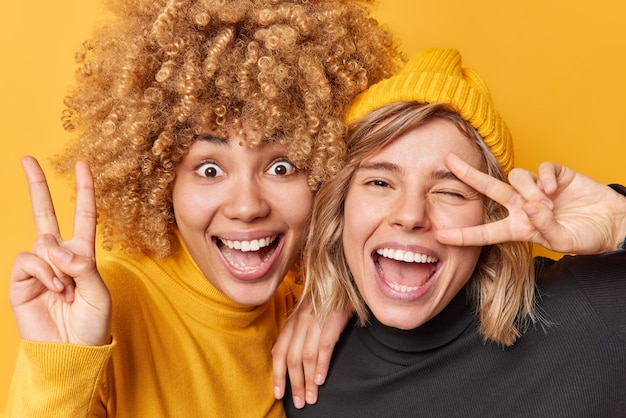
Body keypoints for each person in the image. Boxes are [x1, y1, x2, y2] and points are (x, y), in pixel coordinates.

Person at [5, 0, 403, 416]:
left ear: (325, 170)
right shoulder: (105, 310)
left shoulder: (301, 298)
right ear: (162, 182)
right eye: (210, 170)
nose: (247, 206)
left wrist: (336, 293)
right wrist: (60, 372)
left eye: (282, 166)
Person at [283, 48, 626, 417]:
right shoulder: (309, 375)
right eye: (381, 182)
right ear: (341, 205)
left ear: (489, 215)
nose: (411, 215)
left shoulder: (593, 313)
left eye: (450, 191)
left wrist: (622, 221)